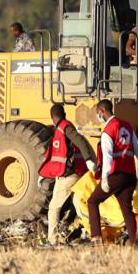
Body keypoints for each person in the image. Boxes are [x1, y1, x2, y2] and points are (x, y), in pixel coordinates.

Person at [87, 99, 138, 246]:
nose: (98, 116)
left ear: (102, 112)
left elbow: (108, 157)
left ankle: (96, 238)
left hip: (116, 175)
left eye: (98, 113)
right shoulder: (127, 126)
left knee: (92, 201)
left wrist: (105, 178)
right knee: (126, 208)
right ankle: (134, 241)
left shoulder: (107, 131)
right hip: (130, 176)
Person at [38, 104, 97, 246]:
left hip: (68, 176)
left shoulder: (64, 128)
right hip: (73, 174)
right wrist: (43, 173)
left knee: (54, 208)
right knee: (79, 205)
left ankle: (52, 240)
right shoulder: (61, 129)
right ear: (63, 113)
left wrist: (88, 159)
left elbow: (80, 141)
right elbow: (53, 155)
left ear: (52, 117)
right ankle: (93, 234)